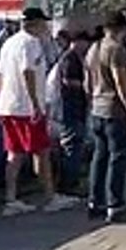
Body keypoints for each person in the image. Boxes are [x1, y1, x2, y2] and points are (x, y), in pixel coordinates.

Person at [0, 8, 78, 217]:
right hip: (25, 108)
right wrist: (36, 105)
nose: (46, 28)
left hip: (8, 105)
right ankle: (49, 196)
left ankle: (11, 198)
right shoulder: (31, 43)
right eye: (43, 24)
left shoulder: (9, 44)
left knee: (15, 153)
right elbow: (27, 71)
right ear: (35, 24)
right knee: (42, 151)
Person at [86, 11, 126, 224]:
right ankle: (116, 204)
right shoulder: (116, 50)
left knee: (99, 157)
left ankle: (95, 201)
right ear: (122, 29)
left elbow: (88, 81)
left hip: (97, 108)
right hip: (115, 110)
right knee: (118, 158)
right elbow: (121, 84)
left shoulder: (94, 48)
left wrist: (92, 101)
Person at [52, 31, 90, 194]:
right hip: (69, 108)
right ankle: (68, 183)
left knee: (76, 145)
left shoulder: (76, 58)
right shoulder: (69, 58)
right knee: (71, 145)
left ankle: (72, 180)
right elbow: (67, 80)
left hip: (76, 108)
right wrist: (86, 86)